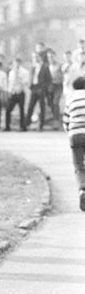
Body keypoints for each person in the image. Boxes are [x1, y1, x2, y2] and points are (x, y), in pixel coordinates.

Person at [62, 76, 85, 212]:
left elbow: (65, 120)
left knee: (79, 166)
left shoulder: (70, 98)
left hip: (75, 134)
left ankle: (82, 189)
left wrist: (70, 132)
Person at [26, 52, 52, 131]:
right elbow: (30, 77)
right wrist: (30, 86)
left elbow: (49, 79)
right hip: (33, 88)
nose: (35, 59)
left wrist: (43, 88)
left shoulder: (45, 67)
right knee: (30, 106)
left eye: (36, 57)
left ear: (40, 57)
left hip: (41, 88)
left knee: (41, 107)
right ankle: (27, 124)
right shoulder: (33, 67)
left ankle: (40, 125)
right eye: (34, 57)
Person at [4, 57, 29, 131]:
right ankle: (7, 126)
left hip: (21, 92)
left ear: (20, 63)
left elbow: (26, 82)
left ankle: (23, 127)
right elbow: (10, 83)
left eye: (17, 63)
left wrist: (19, 77)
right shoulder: (11, 72)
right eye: (15, 63)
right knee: (8, 109)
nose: (16, 65)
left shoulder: (24, 72)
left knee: (22, 110)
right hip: (13, 93)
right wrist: (9, 91)